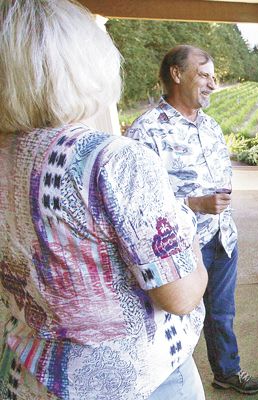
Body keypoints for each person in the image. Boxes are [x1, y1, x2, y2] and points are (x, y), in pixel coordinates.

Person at [0, 1, 208, 399]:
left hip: (28, 375)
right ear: (85, 65)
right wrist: (188, 231)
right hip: (135, 381)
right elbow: (179, 295)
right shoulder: (113, 160)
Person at [125, 45, 258, 395]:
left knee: (222, 314)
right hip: (180, 247)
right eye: (203, 74)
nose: (212, 84)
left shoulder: (212, 126)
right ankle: (170, 381)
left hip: (222, 237)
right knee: (174, 317)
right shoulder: (146, 132)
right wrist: (195, 204)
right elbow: (138, 206)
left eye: (213, 77)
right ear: (176, 74)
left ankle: (226, 371)